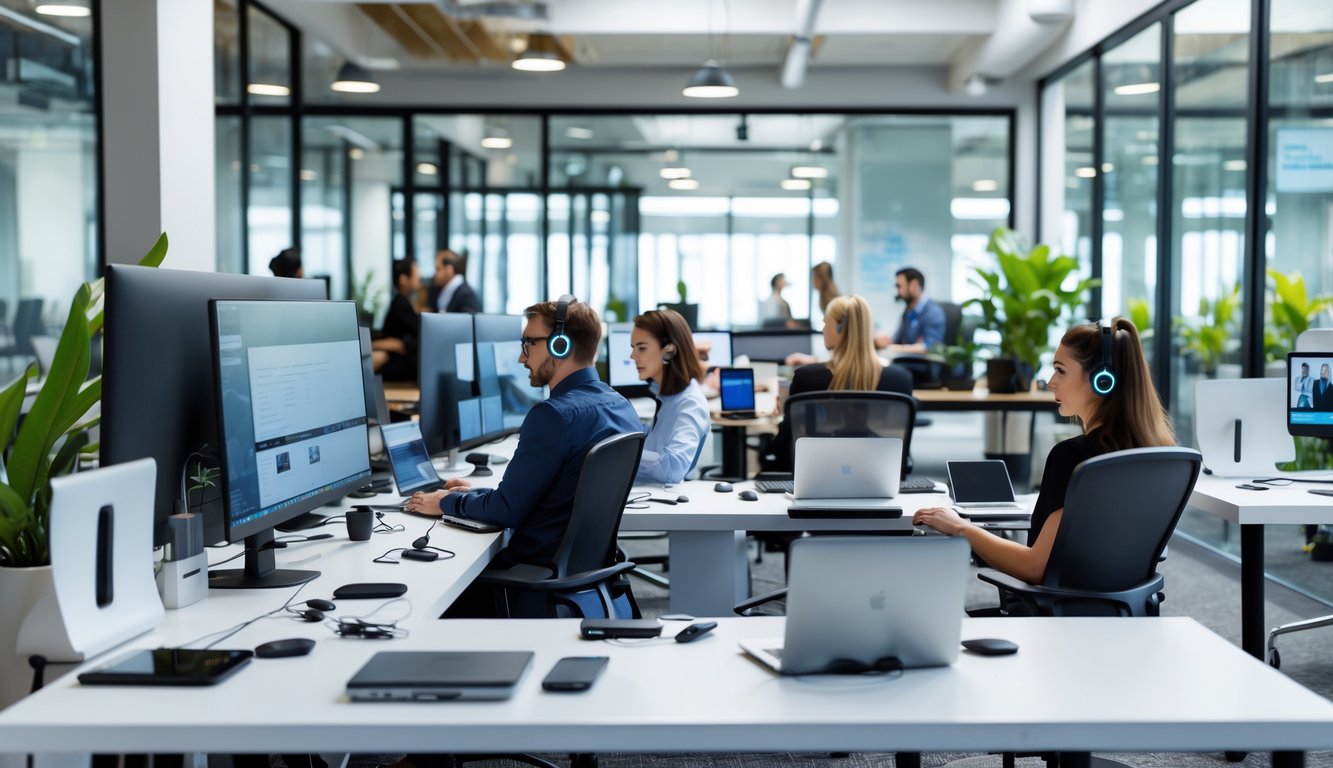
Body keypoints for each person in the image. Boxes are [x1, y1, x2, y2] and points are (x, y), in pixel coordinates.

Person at [403, 296, 641, 615]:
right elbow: (548, 496)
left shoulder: (553, 416)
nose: (520, 357)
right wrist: (475, 496)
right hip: (582, 580)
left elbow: (506, 511)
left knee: (423, 590)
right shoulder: (621, 406)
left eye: (528, 343)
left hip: (526, 583)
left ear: (559, 344)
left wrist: (442, 502)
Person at [913, 318, 1175, 586]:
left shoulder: (1073, 457)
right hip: (1124, 612)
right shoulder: (1158, 454)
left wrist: (960, 527)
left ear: (1101, 380)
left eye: (1060, 371)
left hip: (1058, 616)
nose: (1051, 382)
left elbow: (1034, 568)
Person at [764, 294, 913, 472]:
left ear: (840, 329)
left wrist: (783, 416)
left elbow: (783, 449)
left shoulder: (807, 378)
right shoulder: (900, 380)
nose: (824, 328)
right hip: (878, 478)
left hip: (817, 477)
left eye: (826, 322)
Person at [629, 309, 710, 484]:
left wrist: (624, 454)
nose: (633, 356)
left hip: (661, 504)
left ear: (669, 352)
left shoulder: (690, 403)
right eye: (633, 348)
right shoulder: (667, 398)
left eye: (641, 348)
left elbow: (674, 467)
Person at [876, 266, 946, 353]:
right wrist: (884, 341)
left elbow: (929, 347)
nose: (898, 292)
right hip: (905, 363)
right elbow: (898, 339)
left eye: (899, 287)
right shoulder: (908, 312)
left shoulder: (933, 313)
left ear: (914, 285)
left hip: (921, 365)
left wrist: (893, 348)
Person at [371, 259, 421, 382]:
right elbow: (420, 335)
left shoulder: (402, 301)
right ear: (403, 279)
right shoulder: (400, 303)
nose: (419, 276)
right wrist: (400, 345)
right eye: (416, 273)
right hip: (394, 361)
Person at [427, 249, 482, 314]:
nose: (435, 274)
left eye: (438, 269)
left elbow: (469, 321)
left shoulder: (465, 294)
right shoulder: (439, 289)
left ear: (448, 270)